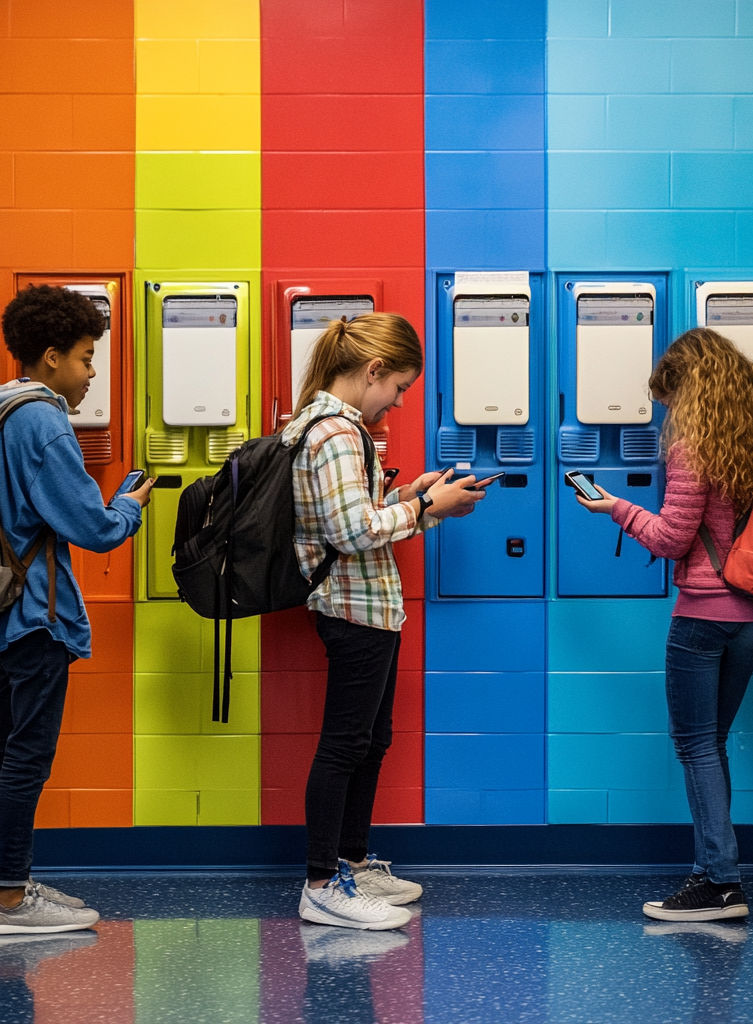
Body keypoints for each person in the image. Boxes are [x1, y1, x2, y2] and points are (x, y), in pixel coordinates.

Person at [576, 328, 753, 921]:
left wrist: (616, 508)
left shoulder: (694, 446)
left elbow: (673, 538)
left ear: (689, 391)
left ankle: (719, 882)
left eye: (670, 401)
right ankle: (716, 874)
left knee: (696, 745)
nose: (668, 415)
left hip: (706, 616)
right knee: (710, 743)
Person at [285, 312, 483, 930]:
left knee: (371, 741)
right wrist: (424, 506)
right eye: (398, 387)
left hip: (369, 607)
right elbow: (351, 532)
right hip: (353, 609)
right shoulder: (336, 433)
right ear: (373, 370)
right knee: (345, 745)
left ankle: (351, 862)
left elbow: (357, 519)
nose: (397, 402)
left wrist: (417, 500)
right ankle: (322, 884)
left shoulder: (329, 427)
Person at [0, 284, 154, 934]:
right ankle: (8, 900)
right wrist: (130, 505)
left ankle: (5, 883)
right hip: (37, 615)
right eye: (85, 357)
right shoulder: (42, 420)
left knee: (9, 754)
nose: (91, 372)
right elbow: (93, 528)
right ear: (51, 357)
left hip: (4, 613)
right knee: (27, 758)